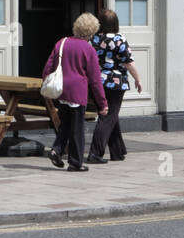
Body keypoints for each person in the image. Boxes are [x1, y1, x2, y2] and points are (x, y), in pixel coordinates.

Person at [43, 13, 109, 172]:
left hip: (61, 91)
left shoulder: (62, 42)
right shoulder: (89, 49)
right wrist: (103, 104)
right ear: (91, 32)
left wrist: (47, 82)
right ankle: (75, 162)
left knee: (65, 124)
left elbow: (47, 68)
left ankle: (56, 150)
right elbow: (95, 80)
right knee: (77, 128)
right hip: (77, 93)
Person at [87, 9, 142, 164]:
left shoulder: (93, 39)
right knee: (107, 116)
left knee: (111, 115)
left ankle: (117, 151)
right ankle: (95, 153)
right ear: (115, 23)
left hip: (97, 82)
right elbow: (128, 62)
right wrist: (138, 79)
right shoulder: (119, 39)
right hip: (115, 83)